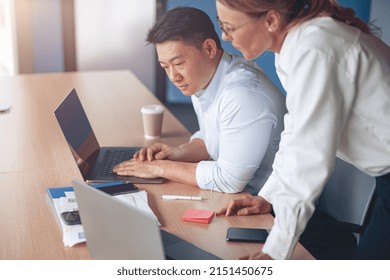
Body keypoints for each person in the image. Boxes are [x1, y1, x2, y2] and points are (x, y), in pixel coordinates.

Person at [215, 0, 390, 260]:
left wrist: (276, 252)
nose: (224, 37)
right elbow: (296, 132)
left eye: (230, 28)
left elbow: (308, 157)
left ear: (271, 20)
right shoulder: (292, 48)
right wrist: (270, 196)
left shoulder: (315, 48)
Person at [113, 6, 287, 195]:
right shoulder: (205, 78)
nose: (173, 76)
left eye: (179, 64)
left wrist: (159, 168)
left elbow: (229, 180)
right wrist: (178, 153)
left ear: (209, 48)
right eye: (165, 66)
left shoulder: (242, 95)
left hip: (267, 206)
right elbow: (213, 138)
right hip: (240, 195)